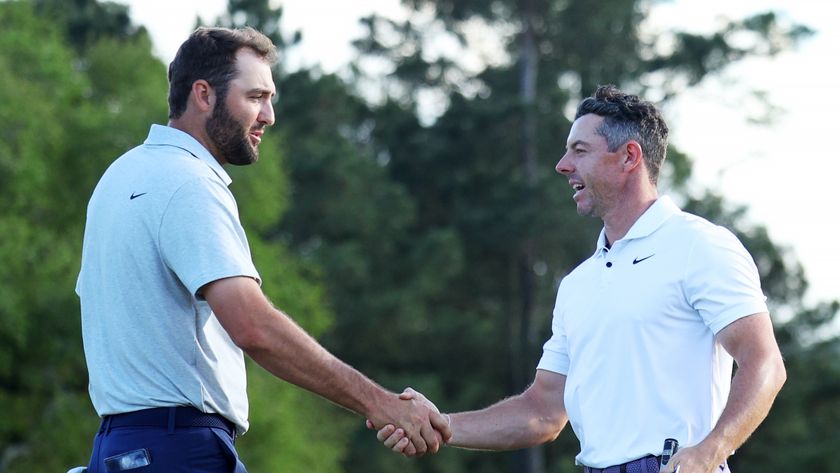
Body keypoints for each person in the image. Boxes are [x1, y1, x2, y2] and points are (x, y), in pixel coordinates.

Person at [76, 26, 450, 473]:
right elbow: (252, 326)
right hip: (179, 448)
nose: (269, 115)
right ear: (203, 95)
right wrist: (380, 403)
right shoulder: (189, 183)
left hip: (117, 448)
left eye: (270, 99)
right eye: (255, 97)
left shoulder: (118, 177)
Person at [372, 85, 787, 473]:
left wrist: (712, 450)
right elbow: (543, 411)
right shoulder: (577, 284)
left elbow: (764, 363)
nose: (562, 165)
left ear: (629, 157)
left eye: (580, 150)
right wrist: (442, 425)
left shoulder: (701, 245)